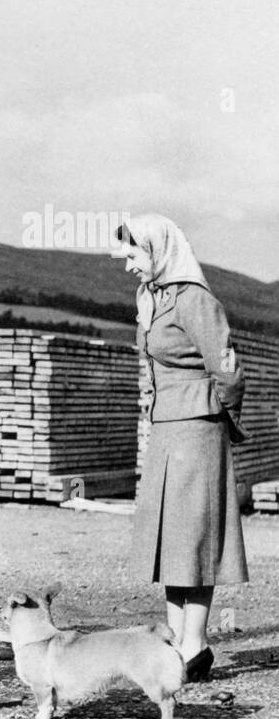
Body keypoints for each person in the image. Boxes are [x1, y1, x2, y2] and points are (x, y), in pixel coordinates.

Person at [114, 213, 248, 682]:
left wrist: (221, 420)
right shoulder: (148, 296)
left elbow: (227, 368)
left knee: (195, 536)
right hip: (167, 428)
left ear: (159, 250)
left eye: (134, 254)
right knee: (169, 538)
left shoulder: (195, 299)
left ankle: (196, 643)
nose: (128, 264)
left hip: (198, 426)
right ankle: (174, 641)